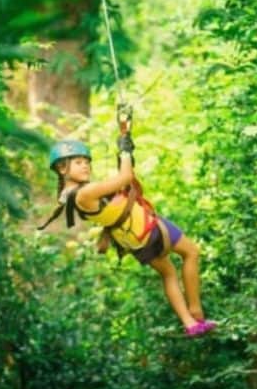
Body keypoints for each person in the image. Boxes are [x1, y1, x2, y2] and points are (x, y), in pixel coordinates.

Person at [44, 137, 217, 337]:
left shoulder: (70, 194)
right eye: (78, 162)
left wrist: (124, 157)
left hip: (132, 239)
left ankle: (190, 323)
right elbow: (126, 177)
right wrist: (125, 152)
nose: (86, 166)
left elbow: (115, 191)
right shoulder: (86, 192)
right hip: (147, 227)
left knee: (168, 273)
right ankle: (196, 310)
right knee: (191, 252)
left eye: (86, 161)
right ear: (62, 168)